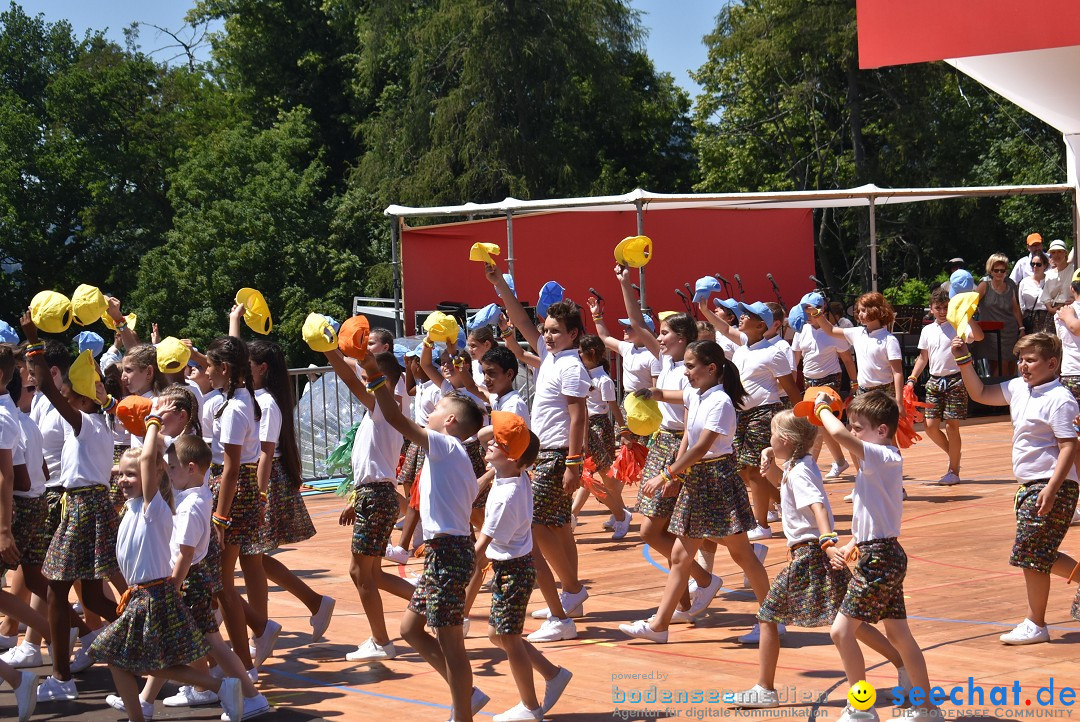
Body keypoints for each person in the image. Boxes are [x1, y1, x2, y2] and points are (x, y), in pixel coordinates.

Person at [728, 410, 908, 709]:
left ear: (785, 440)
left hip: (810, 554)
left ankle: (765, 689)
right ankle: (904, 665)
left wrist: (827, 542)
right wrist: (770, 459)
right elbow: (781, 486)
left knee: (768, 616)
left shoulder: (800, 472)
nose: (769, 439)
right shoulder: (802, 464)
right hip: (812, 552)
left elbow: (817, 507)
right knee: (854, 623)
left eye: (772, 435)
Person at [362, 344, 488, 721]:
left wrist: (373, 373)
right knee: (410, 629)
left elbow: (399, 422)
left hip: (449, 554)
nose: (428, 412)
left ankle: (463, 712)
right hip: (444, 552)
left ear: (450, 422)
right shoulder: (454, 453)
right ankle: (466, 693)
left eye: (435, 410)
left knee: (451, 642)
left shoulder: (446, 445)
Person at [89, 425, 248, 722]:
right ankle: (152, 708)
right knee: (126, 658)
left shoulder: (155, 508)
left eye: (131, 474)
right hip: (140, 594)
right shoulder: (131, 506)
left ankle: (219, 685)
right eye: (121, 474)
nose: (123, 480)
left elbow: (149, 460)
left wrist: (152, 423)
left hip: (154, 594)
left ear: (154, 475)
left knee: (119, 655)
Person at [619, 340, 768, 641]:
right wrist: (647, 394)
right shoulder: (695, 394)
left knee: (744, 556)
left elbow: (702, 447)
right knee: (680, 555)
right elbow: (678, 417)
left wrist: (667, 473)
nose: (685, 372)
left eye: (690, 366)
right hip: (698, 481)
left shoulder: (720, 402)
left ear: (711, 368)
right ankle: (659, 627)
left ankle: (771, 619)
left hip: (718, 482)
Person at [485, 265, 591, 644]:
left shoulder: (571, 367)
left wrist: (574, 464)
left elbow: (579, 416)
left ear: (573, 334)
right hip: (547, 453)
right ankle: (572, 593)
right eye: (545, 329)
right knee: (558, 527)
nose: (545, 334)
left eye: (554, 330)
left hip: (556, 454)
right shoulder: (551, 356)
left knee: (532, 530)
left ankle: (563, 612)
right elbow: (521, 319)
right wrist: (500, 285)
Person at [951, 332, 1080, 645]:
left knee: (1030, 554)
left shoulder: (1060, 399)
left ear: (1052, 363)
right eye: (1021, 359)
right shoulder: (1019, 388)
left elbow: (1068, 447)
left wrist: (1051, 488)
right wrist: (963, 359)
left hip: (1051, 484)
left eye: (1031, 359)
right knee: (1036, 552)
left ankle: (1036, 623)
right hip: (1030, 484)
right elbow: (980, 392)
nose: (1023, 365)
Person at [816, 392, 935, 722]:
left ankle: (861, 708)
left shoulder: (884, 456)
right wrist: (851, 545)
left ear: (881, 431)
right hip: (879, 552)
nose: (851, 432)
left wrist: (822, 406)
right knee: (899, 634)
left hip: (881, 558)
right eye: (852, 426)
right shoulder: (878, 462)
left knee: (841, 632)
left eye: (858, 427)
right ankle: (926, 708)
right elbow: (874, 518)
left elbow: (837, 434)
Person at [22, 313, 121, 703]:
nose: (63, 397)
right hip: (91, 506)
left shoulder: (82, 421)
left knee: (56, 593)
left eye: (69, 395)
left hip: (81, 508)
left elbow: (46, 383)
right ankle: (146, 637)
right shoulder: (100, 420)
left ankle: (61, 677)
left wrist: (32, 338)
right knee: (94, 597)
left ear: (78, 398)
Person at [475, 413, 572, 722]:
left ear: (514, 458)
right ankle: (552, 673)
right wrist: (507, 438)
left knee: (508, 638)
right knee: (498, 635)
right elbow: (482, 436)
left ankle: (530, 707)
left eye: (500, 443)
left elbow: (482, 548)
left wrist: (454, 572)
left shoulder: (507, 494)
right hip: (514, 569)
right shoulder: (512, 477)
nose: (490, 442)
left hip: (512, 571)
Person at [321, 348, 417, 662]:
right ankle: (432, 602)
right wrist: (356, 499)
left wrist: (328, 349)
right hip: (372, 495)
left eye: (370, 378)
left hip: (376, 497)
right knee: (371, 574)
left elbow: (348, 376)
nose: (364, 384)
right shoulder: (379, 412)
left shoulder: (384, 406)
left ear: (384, 381)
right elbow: (370, 465)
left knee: (359, 572)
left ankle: (381, 640)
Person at [242, 340, 334, 653]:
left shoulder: (266, 402)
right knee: (253, 558)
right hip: (261, 477)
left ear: (261, 368)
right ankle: (314, 602)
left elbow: (266, 454)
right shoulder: (252, 397)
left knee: (251, 559)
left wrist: (259, 493)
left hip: (265, 478)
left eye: (246, 362)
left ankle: (261, 632)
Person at [204, 336, 266, 676]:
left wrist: (220, 518)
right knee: (221, 583)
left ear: (224, 369)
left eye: (210, 366)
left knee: (223, 585)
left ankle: (242, 665)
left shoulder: (235, 408)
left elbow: (230, 468)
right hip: (233, 492)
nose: (207, 372)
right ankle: (255, 637)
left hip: (231, 494)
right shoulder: (239, 400)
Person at [906, 286, 984, 485]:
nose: (942, 311)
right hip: (934, 381)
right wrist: (912, 378)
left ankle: (953, 469)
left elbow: (980, 336)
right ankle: (954, 456)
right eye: (938, 307)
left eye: (945, 307)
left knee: (951, 426)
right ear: (931, 309)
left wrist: (967, 316)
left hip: (956, 379)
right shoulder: (927, 330)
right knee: (930, 426)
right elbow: (923, 358)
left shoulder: (958, 325)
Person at [791, 292, 857, 478]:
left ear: (821, 310)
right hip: (809, 381)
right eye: (804, 311)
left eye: (810, 311)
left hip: (829, 381)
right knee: (821, 425)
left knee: (817, 424)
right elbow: (795, 360)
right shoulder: (801, 331)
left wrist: (854, 382)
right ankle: (840, 462)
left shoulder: (833, 332)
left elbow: (847, 359)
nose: (807, 315)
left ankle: (809, 467)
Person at [571, 335, 630, 539]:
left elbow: (613, 407)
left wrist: (624, 430)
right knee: (589, 475)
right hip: (586, 426)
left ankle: (621, 514)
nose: (578, 355)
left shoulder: (603, 380)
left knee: (603, 476)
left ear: (592, 354)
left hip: (598, 426)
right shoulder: (584, 376)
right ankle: (617, 513)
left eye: (581, 351)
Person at [976, 253, 1024, 378]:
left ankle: (1010, 393)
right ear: (990, 271)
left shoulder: (1011, 285)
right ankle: (998, 393)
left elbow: (1015, 308)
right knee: (997, 365)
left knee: (1011, 364)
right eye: (996, 270)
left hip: (1010, 331)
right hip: (991, 334)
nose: (999, 273)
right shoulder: (984, 286)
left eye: (1002, 270)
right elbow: (971, 305)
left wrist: (1021, 328)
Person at [1019, 251, 1051, 334]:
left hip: (1047, 318)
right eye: (1033, 264)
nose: (1035, 267)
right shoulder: (1024, 282)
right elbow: (1021, 305)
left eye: (1038, 264)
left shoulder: (1051, 281)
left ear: (1045, 265)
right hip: (1030, 319)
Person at [1042, 239, 1075, 310]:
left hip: (1071, 308)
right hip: (1054, 310)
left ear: (1065, 253)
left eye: (1059, 251)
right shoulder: (1049, 274)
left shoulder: (1073, 269)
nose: (1056, 255)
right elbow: (1045, 295)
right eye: (1053, 252)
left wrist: (1075, 300)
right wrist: (1050, 309)